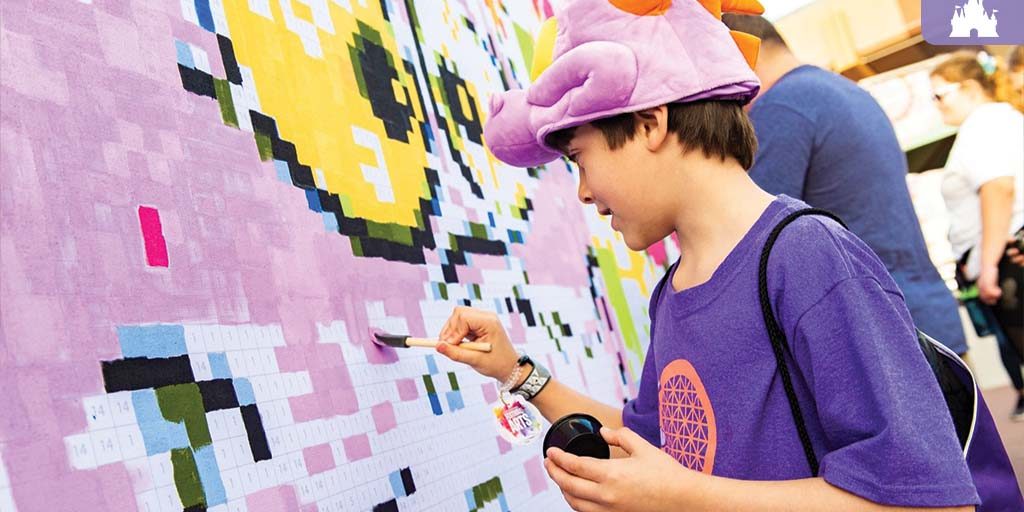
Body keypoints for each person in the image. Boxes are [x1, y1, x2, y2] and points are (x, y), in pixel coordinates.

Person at [431, 1, 1021, 510]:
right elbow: (652, 439)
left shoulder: (808, 258)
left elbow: (931, 500)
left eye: (580, 159)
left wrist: (682, 498)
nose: (584, 191)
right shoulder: (675, 291)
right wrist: (514, 371)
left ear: (648, 122)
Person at [718, 14, 970, 357]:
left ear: (738, 53)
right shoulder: (842, 91)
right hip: (924, 316)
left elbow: (745, 240)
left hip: (884, 336)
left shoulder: (782, 108)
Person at [931, 51, 1024, 421]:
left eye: (940, 95)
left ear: (969, 89)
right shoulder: (998, 120)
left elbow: (998, 188)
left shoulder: (985, 124)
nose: (936, 106)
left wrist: (987, 266)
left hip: (1007, 262)